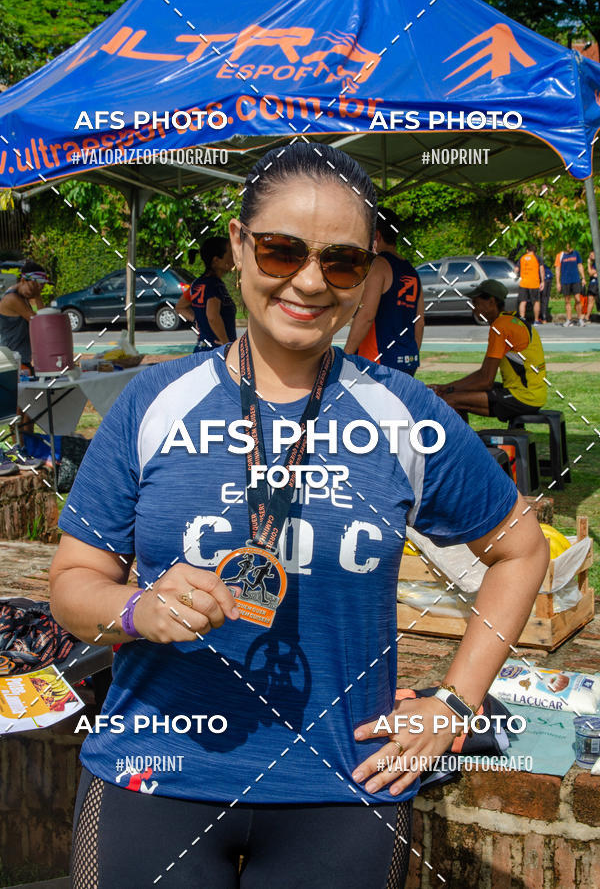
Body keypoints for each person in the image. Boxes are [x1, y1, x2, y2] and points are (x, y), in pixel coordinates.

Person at [49, 143, 547, 889]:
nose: (309, 282)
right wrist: (134, 609)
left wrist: (455, 701)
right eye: (283, 250)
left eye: (341, 262)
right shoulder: (153, 404)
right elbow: (73, 582)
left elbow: (522, 552)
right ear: (240, 247)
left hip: (342, 789)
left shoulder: (403, 413)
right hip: (152, 776)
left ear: (368, 272)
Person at [431, 279, 547, 423]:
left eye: (477, 303)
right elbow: (483, 374)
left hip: (523, 398)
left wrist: (447, 389)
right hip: (533, 394)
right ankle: (466, 441)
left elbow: (485, 381)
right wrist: (448, 387)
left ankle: (466, 444)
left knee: (448, 400)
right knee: (455, 395)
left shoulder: (500, 327)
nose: (474, 309)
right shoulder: (512, 319)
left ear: (491, 302)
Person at [344, 208, 424, 375]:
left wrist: (347, 356)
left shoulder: (378, 265)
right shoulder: (412, 272)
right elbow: (419, 321)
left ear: (376, 236)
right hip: (407, 359)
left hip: (379, 360)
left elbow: (366, 315)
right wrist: (411, 353)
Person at [0, 261, 49, 470]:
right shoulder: (12, 298)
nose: (38, 290)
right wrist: (36, 298)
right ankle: (18, 448)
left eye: (42, 287)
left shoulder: (25, 296)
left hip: (24, 360)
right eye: (36, 285)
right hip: (10, 360)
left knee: (28, 407)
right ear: (24, 279)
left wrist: (36, 295)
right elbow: (40, 322)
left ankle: (26, 448)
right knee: (18, 409)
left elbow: (44, 319)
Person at [175, 236, 236, 350]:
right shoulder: (215, 285)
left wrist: (197, 319)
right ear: (216, 261)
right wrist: (226, 344)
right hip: (216, 350)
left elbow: (180, 307)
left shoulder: (197, 284)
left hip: (202, 347)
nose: (233, 258)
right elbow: (212, 316)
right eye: (230, 254)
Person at [556, 244, 586, 327]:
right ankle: (568, 320)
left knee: (578, 299)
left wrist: (583, 278)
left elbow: (580, 265)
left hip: (575, 279)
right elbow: (557, 269)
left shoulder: (576, 253)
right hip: (565, 280)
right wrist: (558, 282)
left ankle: (580, 319)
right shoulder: (560, 255)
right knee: (567, 300)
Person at [517, 243, 544, 325]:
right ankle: (536, 320)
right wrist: (542, 281)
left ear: (527, 250)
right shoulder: (537, 258)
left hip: (523, 283)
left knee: (523, 301)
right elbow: (541, 270)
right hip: (534, 283)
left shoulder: (522, 258)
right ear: (535, 251)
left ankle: (522, 319)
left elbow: (516, 269)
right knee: (536, 301)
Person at [586, 250, 598, 323]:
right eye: (590, 255)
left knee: (593, 300)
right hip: (592, 284)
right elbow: (591, 274)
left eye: (592, 255)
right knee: (590, 300)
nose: (591, 256)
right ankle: (587, 317)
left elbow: (590, 273)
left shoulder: (597, 263)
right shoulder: (593, 264)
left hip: (596, 284)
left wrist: (588, 263)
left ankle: (587, 317)